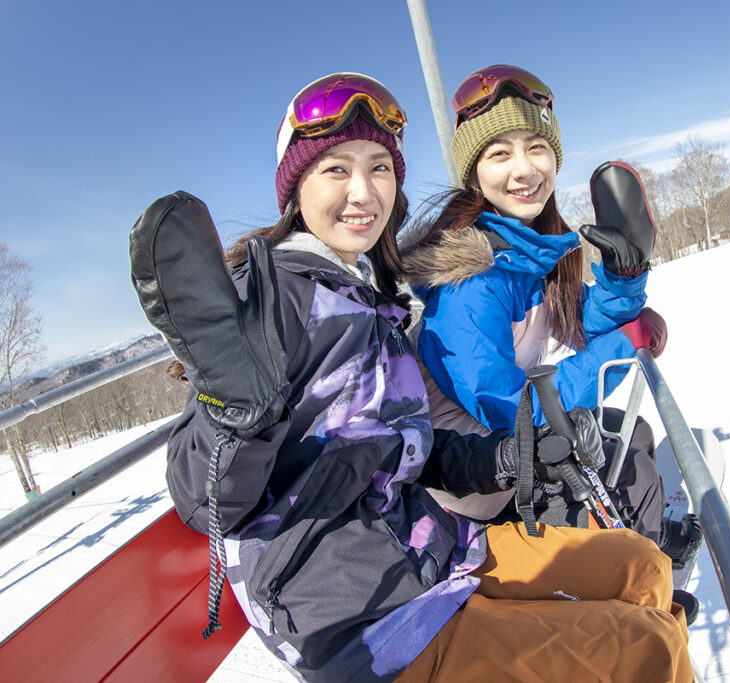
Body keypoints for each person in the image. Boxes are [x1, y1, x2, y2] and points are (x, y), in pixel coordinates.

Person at [129, 73, 693, 682]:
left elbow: (410, 451)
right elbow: (204, 499)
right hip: (363, 618)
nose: (362, 191)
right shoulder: (271, 305)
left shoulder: (367, 300)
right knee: (648, 650)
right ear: (295, 190)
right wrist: (232, 408)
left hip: (433, 548)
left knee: (641, 568)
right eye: (335, 170)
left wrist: (503, 457)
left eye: (379, 168)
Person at [403, 65, 699, 561]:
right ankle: (647, 578)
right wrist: (626, 341)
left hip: (516, 441)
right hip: (482, 479)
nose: (524, 169)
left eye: (536, 147)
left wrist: (623, 280)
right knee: (628, 468)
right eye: (499, 153)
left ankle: (644, 537)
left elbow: (575, 327)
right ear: (473, 172)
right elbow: (512, 411)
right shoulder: (468, 287)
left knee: (635, 431)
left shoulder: (527, 251)